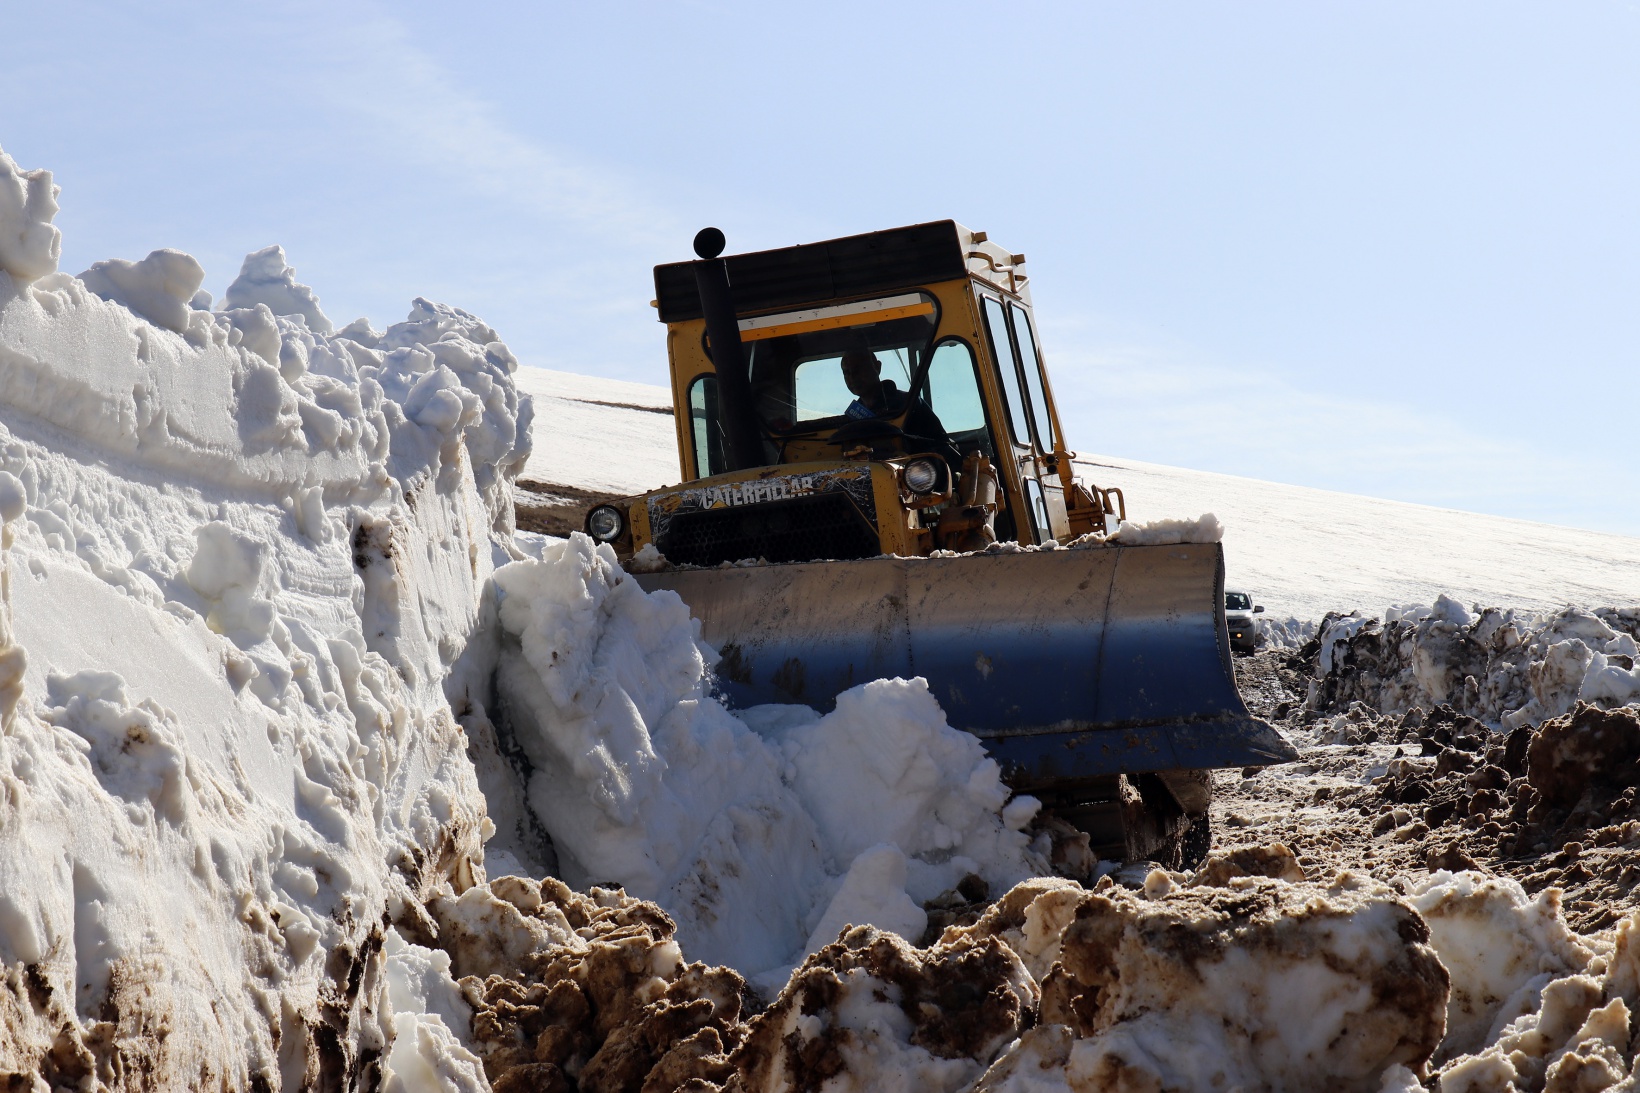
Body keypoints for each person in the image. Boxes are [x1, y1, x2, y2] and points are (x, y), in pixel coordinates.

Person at [838, 348, 960, 467]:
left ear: (877, 367)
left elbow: (943, 447)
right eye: (846, 372)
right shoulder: (851, 418)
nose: (852, 377)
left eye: (858, 369)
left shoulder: (910, 404)